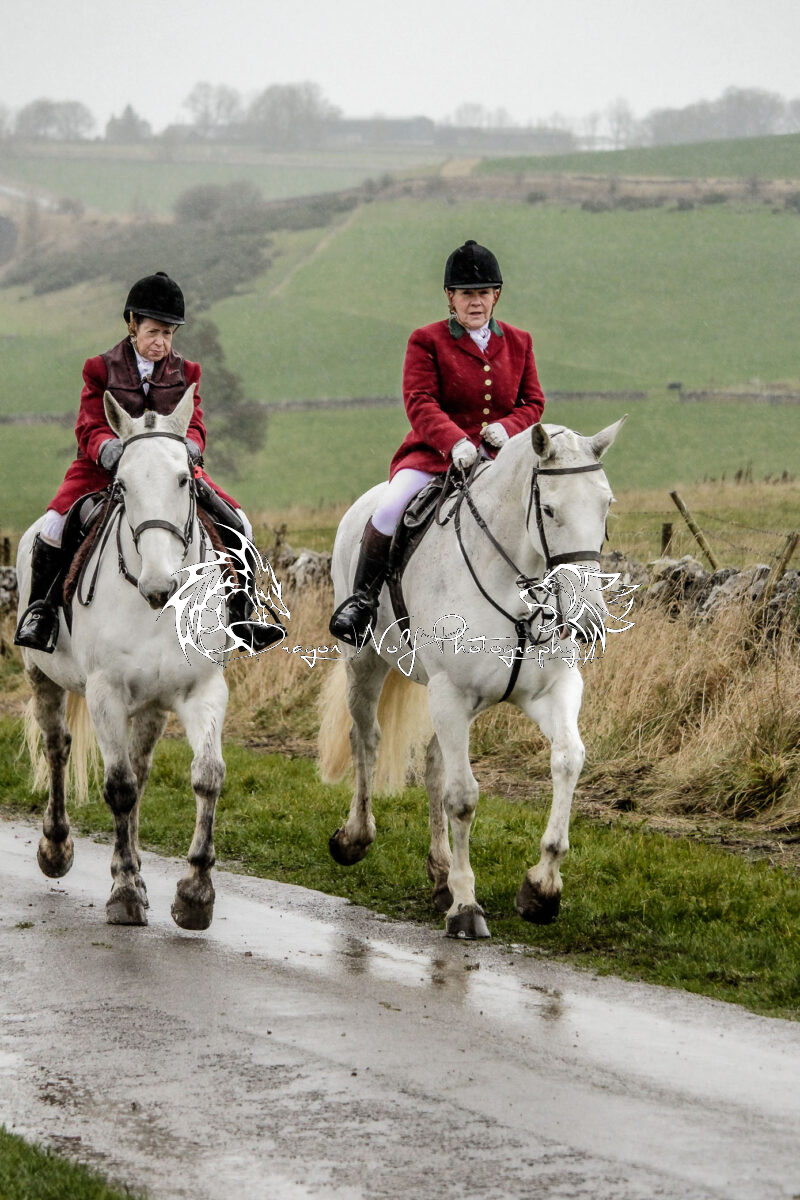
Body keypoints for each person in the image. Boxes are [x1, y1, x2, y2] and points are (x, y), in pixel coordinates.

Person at [15, 271, 283, 654]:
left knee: (240, 523)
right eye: (153, 332)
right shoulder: (100, 368)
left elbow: (195, 422)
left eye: (168, 334)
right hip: (102, 470)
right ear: (133, 325)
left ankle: (242, 614)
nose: (160, 342)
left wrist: (192, 446)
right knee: (54, 527)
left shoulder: (186, 372)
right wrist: (107, 448)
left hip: (171, 470)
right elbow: (89, 424)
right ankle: (41, 613)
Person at [329, 239, 547, 646]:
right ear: (450, 297)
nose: (475, 302)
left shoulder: (520, 342)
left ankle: (554, 601)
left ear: (496, 295)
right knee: (389, 509)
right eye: (466, 294)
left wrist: (509, 427)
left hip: (499, 460)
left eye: (483, 293)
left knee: (547, 509)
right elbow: (419, 401)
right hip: (433, 457)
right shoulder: (426, 341)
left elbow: (533, 402)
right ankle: (362, 602)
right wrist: (454, 442)